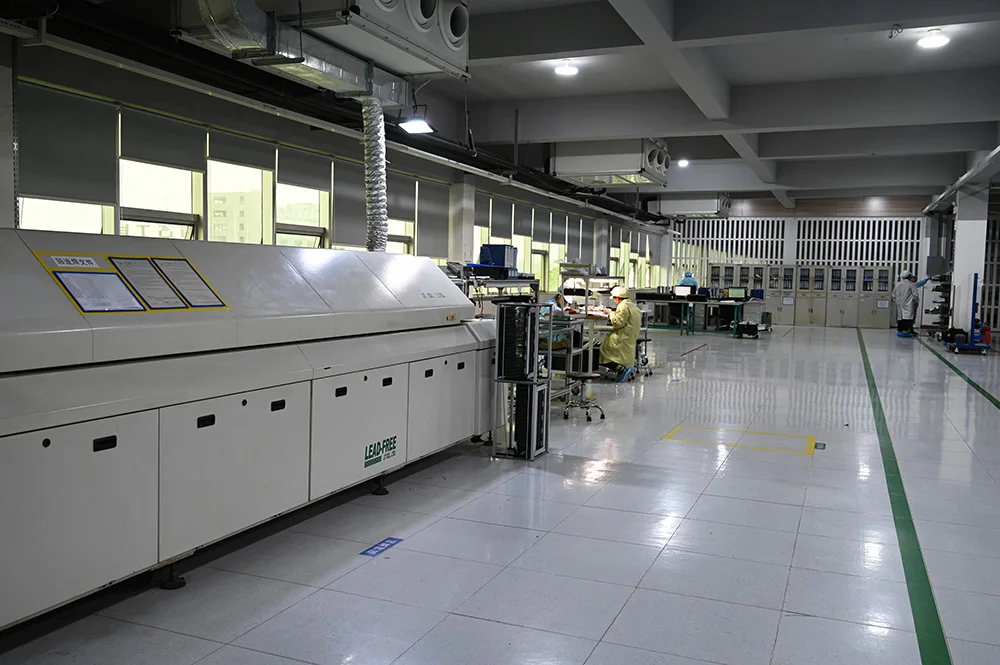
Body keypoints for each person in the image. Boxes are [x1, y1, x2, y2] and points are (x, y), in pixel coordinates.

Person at [599, 285, 642, 382]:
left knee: (602, 351)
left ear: (618, 298)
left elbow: (617, 323)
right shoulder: (632, 306)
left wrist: (610, 313)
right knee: (617, 354)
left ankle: (621, 369)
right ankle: (624, 368)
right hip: (629, 336)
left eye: (614, 298)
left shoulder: (623, 306)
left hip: (622, 337)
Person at [892, 270, 930, 337]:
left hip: (900, 305)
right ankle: (907, 331)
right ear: (909, 276)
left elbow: (893, 295)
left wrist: (898, 302)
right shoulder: (911, 284)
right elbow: (915, 295)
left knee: (901, 317)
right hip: (909, 304)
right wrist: (917, 301)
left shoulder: (898, 284)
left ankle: (901, 330)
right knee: (908, 317)